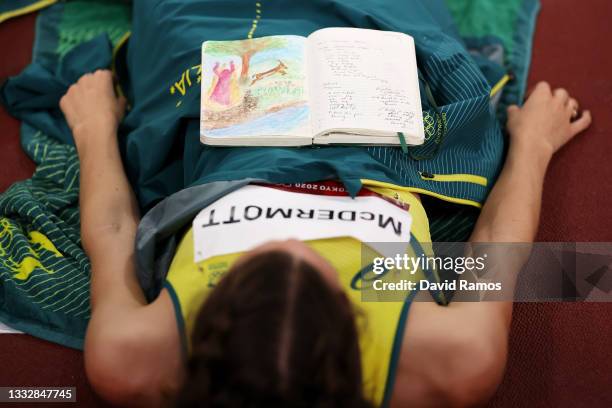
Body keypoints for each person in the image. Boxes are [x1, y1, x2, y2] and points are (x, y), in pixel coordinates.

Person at [59, 69, 591, 407]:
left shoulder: (130, 360)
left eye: (259, 258)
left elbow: (111, 232)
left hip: (227, 144)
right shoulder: (454, 360)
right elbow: (496, 248)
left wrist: (94, 128)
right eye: (321, 270)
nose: (294, 241)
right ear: (353, 336)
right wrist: (534, 145)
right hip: (386, 154)